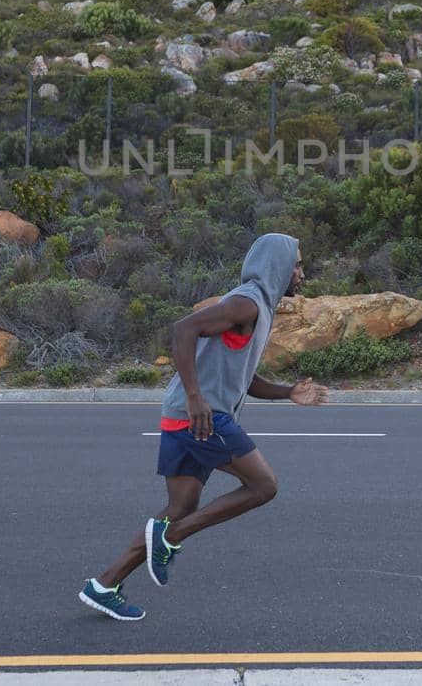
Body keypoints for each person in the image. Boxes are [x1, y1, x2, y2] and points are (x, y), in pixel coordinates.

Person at [79, 232, 327, 621]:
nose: (301, 272)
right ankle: (172, 537)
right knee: (264, 486)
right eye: (296, 264)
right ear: (277, 266)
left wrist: (288, 392)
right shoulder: (246, 303)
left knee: (180, 507)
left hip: (183, 413)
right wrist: (196, 396)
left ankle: (105, 585)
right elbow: (184, 329)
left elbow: (243, 377)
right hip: (201, 415)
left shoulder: (257, 306)